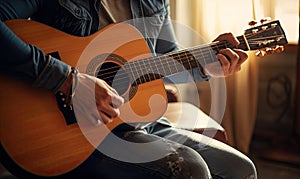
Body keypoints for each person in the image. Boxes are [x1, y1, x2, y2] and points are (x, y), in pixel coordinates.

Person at [0, 0, 257, 178]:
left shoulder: (154, 2)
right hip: (74, 134)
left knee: (240, 169)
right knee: (190, 170)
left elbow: (163, 59)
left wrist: (204, 66)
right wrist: (67, 80)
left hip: (137, 122)